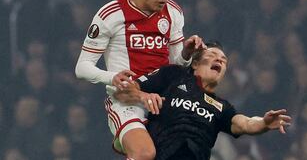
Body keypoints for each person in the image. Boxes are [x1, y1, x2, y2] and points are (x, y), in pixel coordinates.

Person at [75, 0, 205, 160]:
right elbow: (82, 68)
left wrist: (187, 54)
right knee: (144, 153)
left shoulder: (173, 11)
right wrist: (113, 78)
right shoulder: (112, 14)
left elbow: (176, 67)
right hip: (127, 101)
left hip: (163, 101)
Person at [115, 42, 292, 160]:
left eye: (224, 61)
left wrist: (264, 123)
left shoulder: (222, 107)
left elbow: (245, 123)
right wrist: (143, 96)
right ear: (195, 64)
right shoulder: (173, 76)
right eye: (213, 54)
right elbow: (122, 92)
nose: (219, 60)